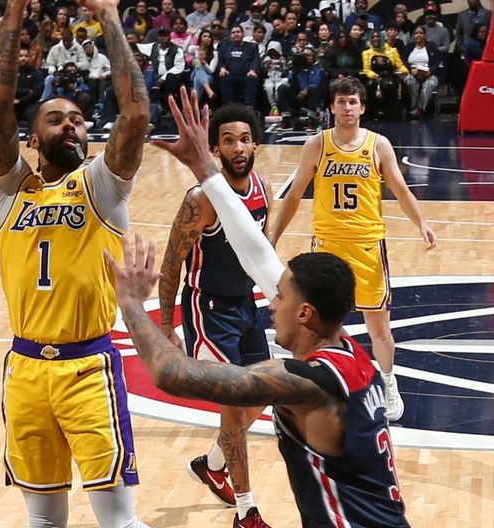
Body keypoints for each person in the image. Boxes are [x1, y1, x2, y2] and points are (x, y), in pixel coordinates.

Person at [109, 85, 411, 528]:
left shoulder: (304, 381)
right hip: (208, 306)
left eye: (282, 298)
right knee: (237, 412)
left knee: (238, 405)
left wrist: (132, 305)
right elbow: (260, 258)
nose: (273, 302)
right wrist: (205, 170)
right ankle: (234, 491)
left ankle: (226, 481)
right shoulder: (352, 355)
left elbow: (170, 374)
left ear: (306, 313)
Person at [0, 0, 150, 527]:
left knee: (118, 521)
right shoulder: (11, 191)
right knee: (44, 522)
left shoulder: (102, 186)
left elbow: (135, 115)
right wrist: (15, 2)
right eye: (56, 118)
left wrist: (109, 17)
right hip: (25, 369)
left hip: (89, 365)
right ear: (34, 139)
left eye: (79, 119)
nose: (72, 124)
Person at [270, 77, 437, 422]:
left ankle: (388, 382)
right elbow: (295, 194)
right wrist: (273, 235)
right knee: (315, 325)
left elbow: (401, 190)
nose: (347, 107)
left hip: (367, 246)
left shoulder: (378, 145)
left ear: (362, 107)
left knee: (379, 329)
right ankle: (314, 386)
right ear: (332, 107)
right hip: (328, 247)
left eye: (352, 102)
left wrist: (421, 221)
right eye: (341, 101)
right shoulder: (317, 145)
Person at [158, 103, 272, 527]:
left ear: (255, 144)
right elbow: (172, 263)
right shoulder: (200, 200)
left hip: (246, 304)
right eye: (228, 141)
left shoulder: (262, 188)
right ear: (215, 150)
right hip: (208, 309)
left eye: (244, 139)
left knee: (267, 390)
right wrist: (166, 326)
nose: (238, 147)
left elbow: (260, 251)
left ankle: (213, 463)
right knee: (234, 406)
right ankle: (246, 510)